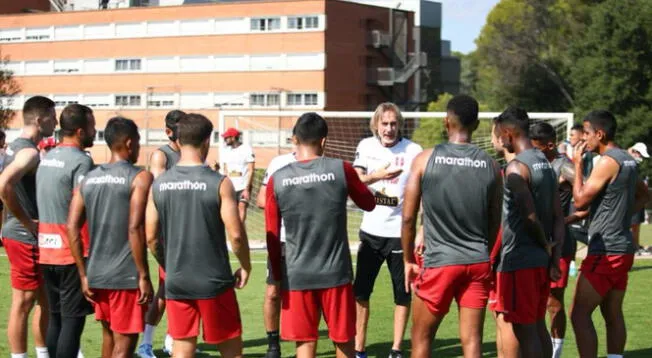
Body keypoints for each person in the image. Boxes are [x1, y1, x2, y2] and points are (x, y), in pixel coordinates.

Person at [265, 112, 376, 358]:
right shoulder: (341, 169)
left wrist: (277, 273)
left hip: (297, 275)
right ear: (324, 141)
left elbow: (271, 233)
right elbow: (369, 204)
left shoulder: (278, 179)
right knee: (344, 341)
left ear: (295, 139)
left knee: (305, 344)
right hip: (336, 274)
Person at [402, 95, 502, 358]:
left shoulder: (425, 160)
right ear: (477, 124)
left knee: (421, 339)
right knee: (472, 343)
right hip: (478, 261)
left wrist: (407, 259)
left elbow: (409, 218)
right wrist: (486, 252)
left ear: (446, 121)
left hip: (440, 263)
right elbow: (495, 220)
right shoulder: (492, 166)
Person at [146, 113, 251, 357]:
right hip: (214, 280)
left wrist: (168, 266)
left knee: (182, 348)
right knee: (231, 348)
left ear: (179, 141)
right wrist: (245, 266)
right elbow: (236, 235)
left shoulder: (158, 184)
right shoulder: (219, 182)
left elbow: (151, 237)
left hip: (178, 281)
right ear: (206, 142)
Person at [68, 116, 154, 358]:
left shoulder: (88, 179)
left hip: (96, 274)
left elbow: (72, 227)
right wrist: (144, 275)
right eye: (137, 142)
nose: (138, 148)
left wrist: (83, 274)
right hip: (125, 276)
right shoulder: (140, 177)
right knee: (124, 346)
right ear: (128, 143)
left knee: (109, 338)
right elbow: (135, 227)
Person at [570, 110, 650, 358]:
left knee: (579, 314)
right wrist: (622, 216)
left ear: (600, 134)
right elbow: (645, 195)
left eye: (586, 132)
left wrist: (577, 163)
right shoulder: (626, 159)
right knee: (612, 313)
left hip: (605, 250)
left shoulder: (607, 161)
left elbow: (581, 200)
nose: (583, 138)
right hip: (623, 248)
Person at [489, 107, 564, 358]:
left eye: (500, 136)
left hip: (518, 260)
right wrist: (553, 256)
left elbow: (530, 217)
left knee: (524, 331)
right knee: (536, 325)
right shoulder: (545, 162)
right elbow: (558, 216)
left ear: (509, 134)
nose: (499, 141)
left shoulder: (516, 169)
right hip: (540, 261)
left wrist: (545, 244)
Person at [351, 102, 422, 358]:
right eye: (385, 123)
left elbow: (422, 193)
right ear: (376, 125)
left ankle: (396, 349)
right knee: (361, 293)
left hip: (399, 235)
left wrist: (422, 228)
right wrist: (378, 176)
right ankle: (359, 348)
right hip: (370, 232)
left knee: (402, 295)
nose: (389, 129)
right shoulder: (365, 147)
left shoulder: (414, 151)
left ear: (399, 124)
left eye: (393, 123)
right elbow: (356, 180)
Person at [37, 104, 96, 358]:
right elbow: (81, 208)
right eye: (93, 127)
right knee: (72, 322)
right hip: (69, 252)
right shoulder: (82, 161)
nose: (95, 131)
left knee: (56, 319)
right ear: (81, 131)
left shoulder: (46, 158)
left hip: (45, 250)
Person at [0, 95, 57, 358]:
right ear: (39, 118)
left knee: (45, 300)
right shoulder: (29, 152)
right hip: (25, 236)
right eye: (52, 116)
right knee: (23, 302)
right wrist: (25, 222)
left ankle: (43, 353)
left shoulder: (14, 147)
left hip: (26, 236)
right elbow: (4, 186)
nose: (56, 121)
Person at [530, 122, 588, 358]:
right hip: (535, 241)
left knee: (553, 302)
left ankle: (556, 352)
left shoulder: (563, 166)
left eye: (538, 148)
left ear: (550, 145)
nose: (534, 151)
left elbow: (587, 196)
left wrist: (568, 219)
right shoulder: (534, 162)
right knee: (533, 300)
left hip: (560, 244)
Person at [137, 109, 185, 358]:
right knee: (167, 289)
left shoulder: (189, 152)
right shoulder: (161, 155)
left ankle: (173, 340)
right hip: (167, 232)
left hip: (186, 231)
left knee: (182, 289)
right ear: (169, 132)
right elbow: (160, 192)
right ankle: (145, 343)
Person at [256, 147, 297, 358]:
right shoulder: (278, 163)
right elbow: (261, 199)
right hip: (280, 241)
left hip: (310, 242)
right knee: (273, 293)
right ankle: (273, 346)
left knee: (312, 295)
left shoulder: (323, 166)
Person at [221, 127, 255, 222]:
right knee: (231, 212)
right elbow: (226, 170)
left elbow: (251, 170)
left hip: (243, 186)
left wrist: (247, 189)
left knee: (241, 207)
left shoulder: (246, 149)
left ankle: (240, 231)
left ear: (233, 137)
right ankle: (234, 233)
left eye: (226, 137)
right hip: (230, 187)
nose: (225, 140)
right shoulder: (226, 151)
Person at [628, 142, 649, 255]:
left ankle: (636, 246)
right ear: (635, 152)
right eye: (640, 154)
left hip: (637, 199)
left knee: (636, 225)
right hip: (631, 199)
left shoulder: (634, 164)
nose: (641, 157)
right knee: (631, 225)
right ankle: (632, 247)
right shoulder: (627, 162)